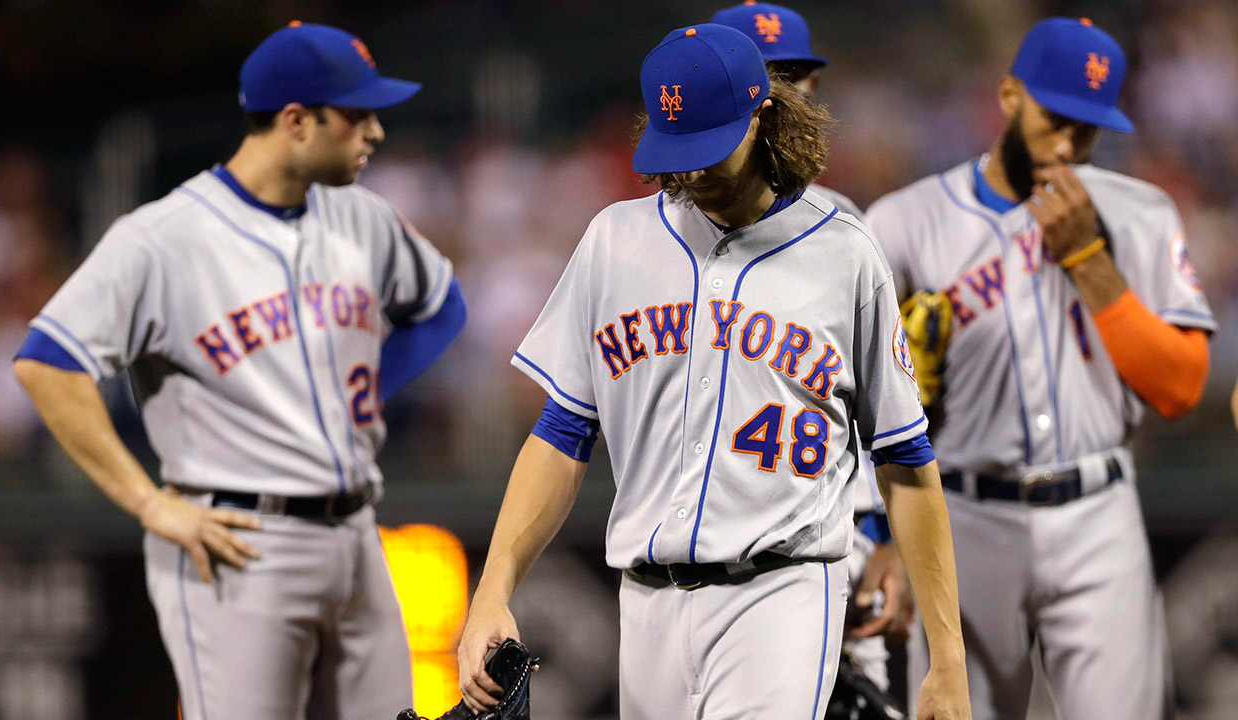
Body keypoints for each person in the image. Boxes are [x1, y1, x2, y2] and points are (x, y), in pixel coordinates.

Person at [457, 23, 970, 720]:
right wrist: (493, 589)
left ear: (763, 114)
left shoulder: (844, 254)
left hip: (782, 592)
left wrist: (947, 659)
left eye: (707, 147)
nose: (691, 171)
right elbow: (561, 434)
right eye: (676, 149)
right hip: (644, 603)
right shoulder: (615, 239)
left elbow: (907, 463)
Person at [12, 22, 466, 720]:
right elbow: (48, 363)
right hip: (238, 544)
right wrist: (149, 502)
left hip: (357, 532)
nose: (375, 131)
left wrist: (370, 393)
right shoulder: (162, 238)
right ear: (295, 120)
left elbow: (440, 304)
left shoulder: (361, 215)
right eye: (357, 114)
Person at [865, 17, 1215, 720]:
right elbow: (851, 404)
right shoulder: (903, 223)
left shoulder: (1139, 214)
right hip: (961, 519)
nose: (1067, 144)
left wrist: (1090, 262)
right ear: (1008, 96)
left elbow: (1179, 389)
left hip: (1097, 513)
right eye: (1055, 118)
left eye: (1087, 128)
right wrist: (879, 535)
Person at [711, 1, 916, 694]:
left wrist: (892, 541)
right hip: (702, 550)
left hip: (839, 536)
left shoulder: (848, 230)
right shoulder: (653, 233)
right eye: (767, 76)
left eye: (796, 77)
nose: (783, 94)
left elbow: (892, 419)